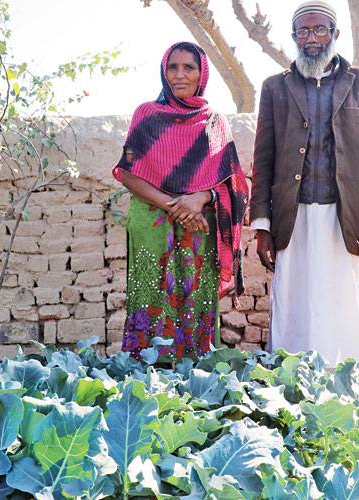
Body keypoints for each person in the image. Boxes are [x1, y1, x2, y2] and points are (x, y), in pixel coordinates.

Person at [249, 0, 359, 366]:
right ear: (294, 37)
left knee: (340, 304)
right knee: (293, 302)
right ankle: (291, 384)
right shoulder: (274, 88)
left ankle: (342, 384)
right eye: (303, 31)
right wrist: (261, 226)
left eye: (319, 30)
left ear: (335, 34)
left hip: (342, 215)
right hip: (290, 215)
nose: (311, 38)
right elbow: (263, 159)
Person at [113, 41, 249, 362]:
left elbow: (233, 183)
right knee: (150, 297)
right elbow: (128, 173)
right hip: (152, 223)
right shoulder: (146, 115)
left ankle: (196, 381)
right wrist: (176, 206)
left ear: (201, 73)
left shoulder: (214, 121)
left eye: (188, 67)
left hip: (199, 226)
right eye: (173, 67)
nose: (180, 74)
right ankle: (148, 379)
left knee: (196, 301)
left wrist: (199, 197)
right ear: (164, 71)